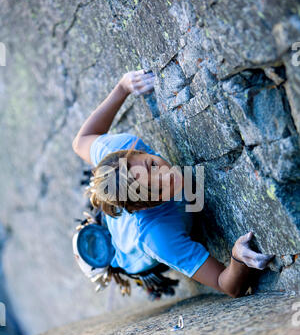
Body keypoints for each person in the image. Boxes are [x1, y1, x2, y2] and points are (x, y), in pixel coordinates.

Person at [72, 69, 273, 298]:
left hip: (127, 208)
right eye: (156, 190)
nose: (168, 177)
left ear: (137, 151)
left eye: (152, 166)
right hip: (134, 252)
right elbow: (227, 285)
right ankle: (117, 267)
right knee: (131, 263)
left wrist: (123, 87)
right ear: (143, 207)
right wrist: (238, 258)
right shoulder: (158, 238)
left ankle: (101, 217)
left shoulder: (120, 147)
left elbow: (79, 142)